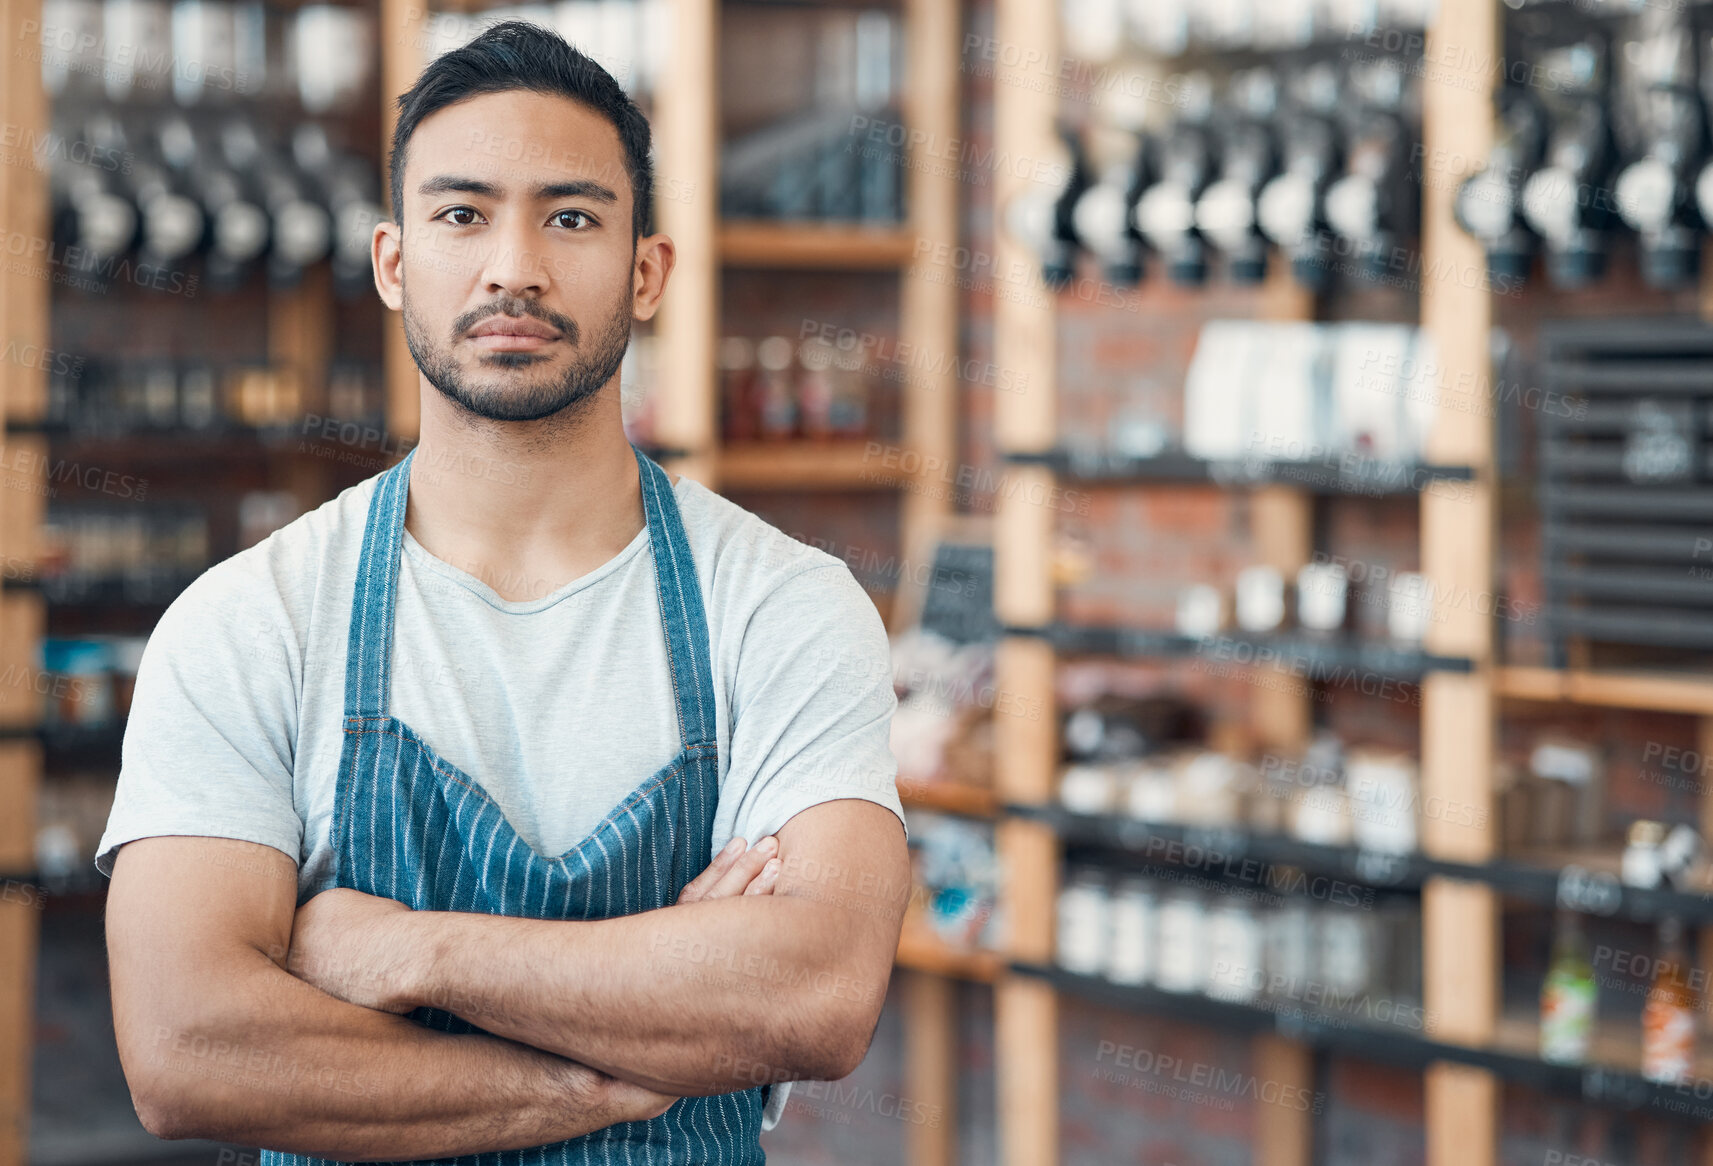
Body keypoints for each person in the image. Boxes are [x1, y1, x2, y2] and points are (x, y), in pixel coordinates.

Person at [98, 21, 909, 1163]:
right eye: (461, 213)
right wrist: (608, 1071)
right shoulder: (248, 622)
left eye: (570, 216)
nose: (513, 266)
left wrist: (410, 951)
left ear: (647, 270)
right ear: (393, 262)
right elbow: (190, 1051)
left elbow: (816, 994)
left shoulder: (784, 607)